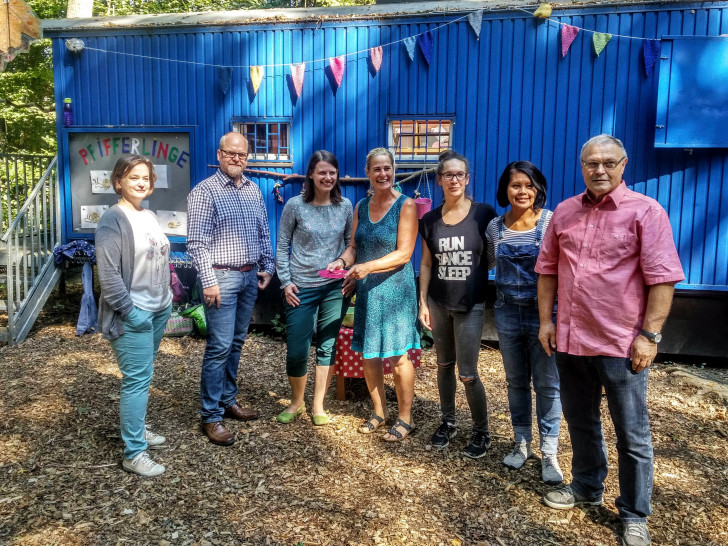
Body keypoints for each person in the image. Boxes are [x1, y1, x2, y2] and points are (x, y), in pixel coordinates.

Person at [535, 135, 684, 546]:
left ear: (624, 165)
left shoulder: (646, 212)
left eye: (607, 163)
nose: (599, 170)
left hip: (622, 344)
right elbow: (547, 271)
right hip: (570, 340)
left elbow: (663, 277)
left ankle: (635, 512)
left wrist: (649, 336)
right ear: (581, 166)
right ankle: (586, 486)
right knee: (581, 421)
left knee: (632, 433)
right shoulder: (564, 212)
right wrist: (546, 322)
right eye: (591, 163)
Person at [187, 132, 275, 446]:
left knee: (236, 342)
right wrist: (208, 281)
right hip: (221, 280)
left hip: (250, 277)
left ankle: (228, 399)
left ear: (247, 157)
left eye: (242, 154)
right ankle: (210, 416)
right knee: (219, 346)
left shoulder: (254, 191)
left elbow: (264, 233)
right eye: (231, 153)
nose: (237, 159)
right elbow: (196, 244)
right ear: (220, 154)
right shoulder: (204, 192)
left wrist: (268, 267)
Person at [331, 147, 420, 441]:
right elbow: (355, 247)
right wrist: (343, 262)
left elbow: (405, 254)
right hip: (368, 290)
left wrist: (366, 267)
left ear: (393, 171)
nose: (383, 174)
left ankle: (405, 418)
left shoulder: (406, 206)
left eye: (387, 168)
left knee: (397, 356)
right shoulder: (361, 207)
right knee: (369, 355)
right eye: (377, 169)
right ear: (368, 173)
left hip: (395, 291)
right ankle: (379, 412)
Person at [486, 161, 563, 484]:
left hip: (543, 315)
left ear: (538, 190)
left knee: (547, 384)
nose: (522, 191)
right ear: (505, 189)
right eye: (515, 185)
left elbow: (559, 269)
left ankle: (550, 453)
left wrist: (553, 318)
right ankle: (521, 443)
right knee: (516, 381)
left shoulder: (549, 222)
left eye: (529, 186)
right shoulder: (495, 228)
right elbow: (489, 263)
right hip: (506, 312)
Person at [96, 155, 172, 477]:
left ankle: (137, 431)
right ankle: (134, 453)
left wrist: (166, 300)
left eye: (146, 177)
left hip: (158, 309)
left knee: (145, 375)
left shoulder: (149, 215)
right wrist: (131, 313)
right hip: (133, 314)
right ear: (118, 182)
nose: (141, 182)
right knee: (137, 381)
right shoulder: (112, 220)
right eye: (133, 177)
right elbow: (109, 276)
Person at [418, 150, 496, 458]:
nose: (454, 180)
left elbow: (490, 256)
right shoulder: (430, 220)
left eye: (460, 174)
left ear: (467, 178)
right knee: (443, 365)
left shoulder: (483, 214)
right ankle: (448, 422)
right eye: (448, 175)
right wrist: (422, 302)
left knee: (468, 372)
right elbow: (426, 264)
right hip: (438, 301)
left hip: (471, 304)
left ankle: (482, 431)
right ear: (439, 180)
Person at [275, 151, 353, 425]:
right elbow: (283, 246)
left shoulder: (345, 206)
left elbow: (350, 244)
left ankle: (318, 405)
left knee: (327, 346)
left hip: (334, 287)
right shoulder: (295, 206)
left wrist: (342, 262)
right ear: (311, 174)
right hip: (301, 287)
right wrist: (285, 282)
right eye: (322, 172)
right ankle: (296, 402)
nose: (327, 177)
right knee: (297, 348)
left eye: (332, 172)